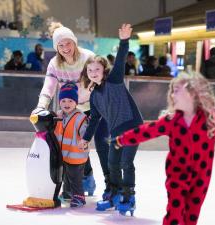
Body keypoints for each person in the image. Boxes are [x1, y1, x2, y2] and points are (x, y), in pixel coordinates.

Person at [111, 71, 215, 224]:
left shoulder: (211, 117)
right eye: (172, 91)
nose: (172, 95)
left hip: (201, 177)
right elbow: (146, 131)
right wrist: (121, 139)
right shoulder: (172, 120)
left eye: (176, 91)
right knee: (174, 214)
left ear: (192, 93)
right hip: (177, 174)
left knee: (191, 217)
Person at [32, 22, 110, 200]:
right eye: (61, 45)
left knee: (96, 144)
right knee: (73, 145)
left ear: (74, 42)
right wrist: (41, 106)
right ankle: (86, 177)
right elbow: (49, 87)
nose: (65, 48)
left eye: (68, 43)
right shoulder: (54, 64)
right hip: (71, 109)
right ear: (56, 47)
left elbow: (101, 77)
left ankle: (109, 185)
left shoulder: (87, 57)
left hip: (93, 107)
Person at [80, 24, 143, 213]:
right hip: (116, 132)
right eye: (90, 70)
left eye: (96, 69)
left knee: (125, 162)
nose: (93, 73)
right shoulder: (94, 95)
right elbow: (94, 119)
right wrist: (85, 138)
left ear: (103, 70)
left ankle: (128, 196)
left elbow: (122, 58)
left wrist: (124, 40)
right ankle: (115, 194)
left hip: (132, 127)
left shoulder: (114, 80)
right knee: (112, 163)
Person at [54, 82, 89, 208]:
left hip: (77, 155)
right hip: (64, 155)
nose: (66, 104)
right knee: (65, 176)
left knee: (75, 177)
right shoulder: (58, 116)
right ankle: (67, 194)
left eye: (70, 100)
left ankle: (79, 196)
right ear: (59, 102)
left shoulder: (80, 117)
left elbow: (85, 131)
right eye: (63, 101)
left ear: (76, 102)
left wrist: (84, 140)